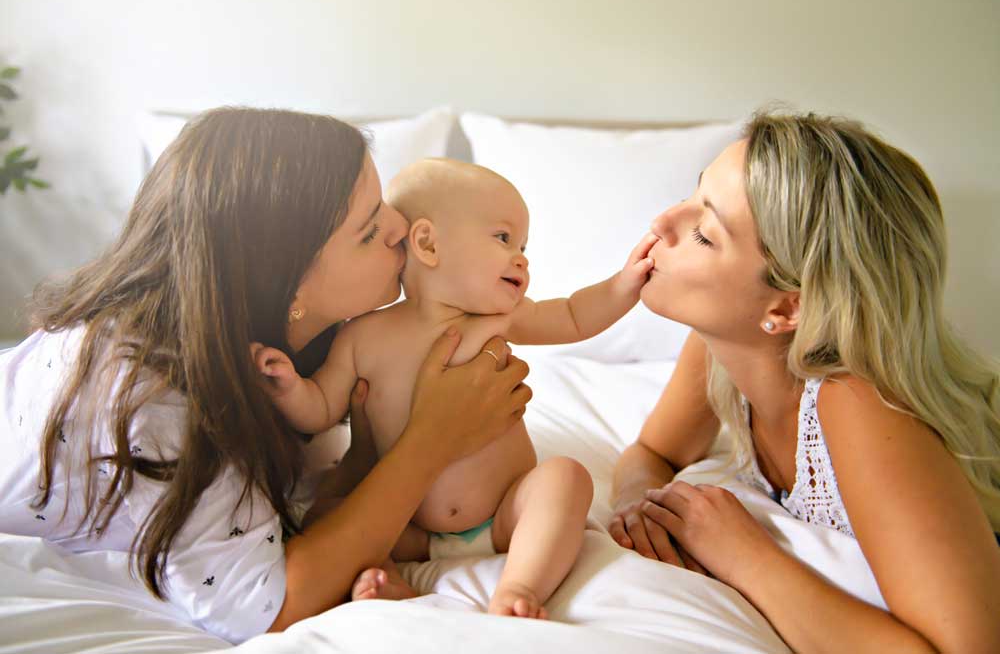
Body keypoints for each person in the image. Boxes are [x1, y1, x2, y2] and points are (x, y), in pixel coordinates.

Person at [0, 108, 534, 643]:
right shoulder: (157, 406)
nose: (400, 227)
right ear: (287, 286)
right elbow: (266, 608)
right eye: (369, 231)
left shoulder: (276, 345)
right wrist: (430, 442)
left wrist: (371, 454)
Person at [609, 111, 1000, 653]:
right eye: (693, 194)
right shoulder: (722, 346)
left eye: (703, 233)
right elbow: (652, 451)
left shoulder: (858, 404)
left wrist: (744, 554)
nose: (663, 222)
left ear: (788, 307)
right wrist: (638, 504)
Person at [252, 158, 655, 618]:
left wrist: (626, 283)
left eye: (523, 245)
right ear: (427, 243)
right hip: (408, 527)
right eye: (504, 238)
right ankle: (389, 580)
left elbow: (574, 316)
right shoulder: (361, 336)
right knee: (324, 515)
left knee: (565, 478)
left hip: (505, 514)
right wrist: (287, 388)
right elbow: (321, 407)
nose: (521, 257)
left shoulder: (500, 318)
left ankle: (519, 586)